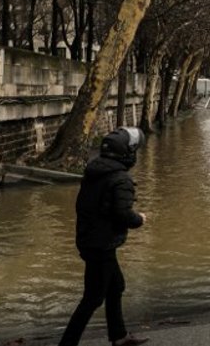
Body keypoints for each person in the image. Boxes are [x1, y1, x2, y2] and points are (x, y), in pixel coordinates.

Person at [59, 127, 149, 346]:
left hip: (90, 240)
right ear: (127, 153)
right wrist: (140, 219)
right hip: (102, 245)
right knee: (92, 298)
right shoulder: (121, 180)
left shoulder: (93, 173)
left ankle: (119, 336)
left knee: (116, 285)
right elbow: (123, 214)